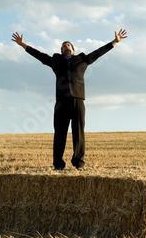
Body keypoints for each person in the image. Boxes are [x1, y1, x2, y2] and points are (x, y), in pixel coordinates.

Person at [11, 29, 127, 170]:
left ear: (73, 50)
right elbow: (40, 56)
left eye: (68, 45)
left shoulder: (82, 59)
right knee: (60, 133)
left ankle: (78, 163)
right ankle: (58, 165)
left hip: (77, 100)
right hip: (61, 102)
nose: (65, 46)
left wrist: (114, 42)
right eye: (63, 46)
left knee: (79, 133)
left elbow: (98, 52)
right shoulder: (56, 61)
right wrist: (23, 45)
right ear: (61, 51)